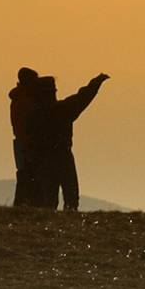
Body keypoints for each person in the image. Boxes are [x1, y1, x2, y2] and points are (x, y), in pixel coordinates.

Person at [29, 71, 110, 211]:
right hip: (62, 155)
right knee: (70, 195)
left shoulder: (34, 114)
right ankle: (68, 222)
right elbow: (82, 98)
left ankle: (49, 224)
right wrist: (96, 83)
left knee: (48, 197)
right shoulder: (62, 110)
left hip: (42, 157)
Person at [7, 67, 47, 207]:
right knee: (30, 176)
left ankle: (22, 204)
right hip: (27, 144)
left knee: (25, 175)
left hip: (21, 142)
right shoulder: (26, 100)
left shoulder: (19, 99)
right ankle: (28, 204)